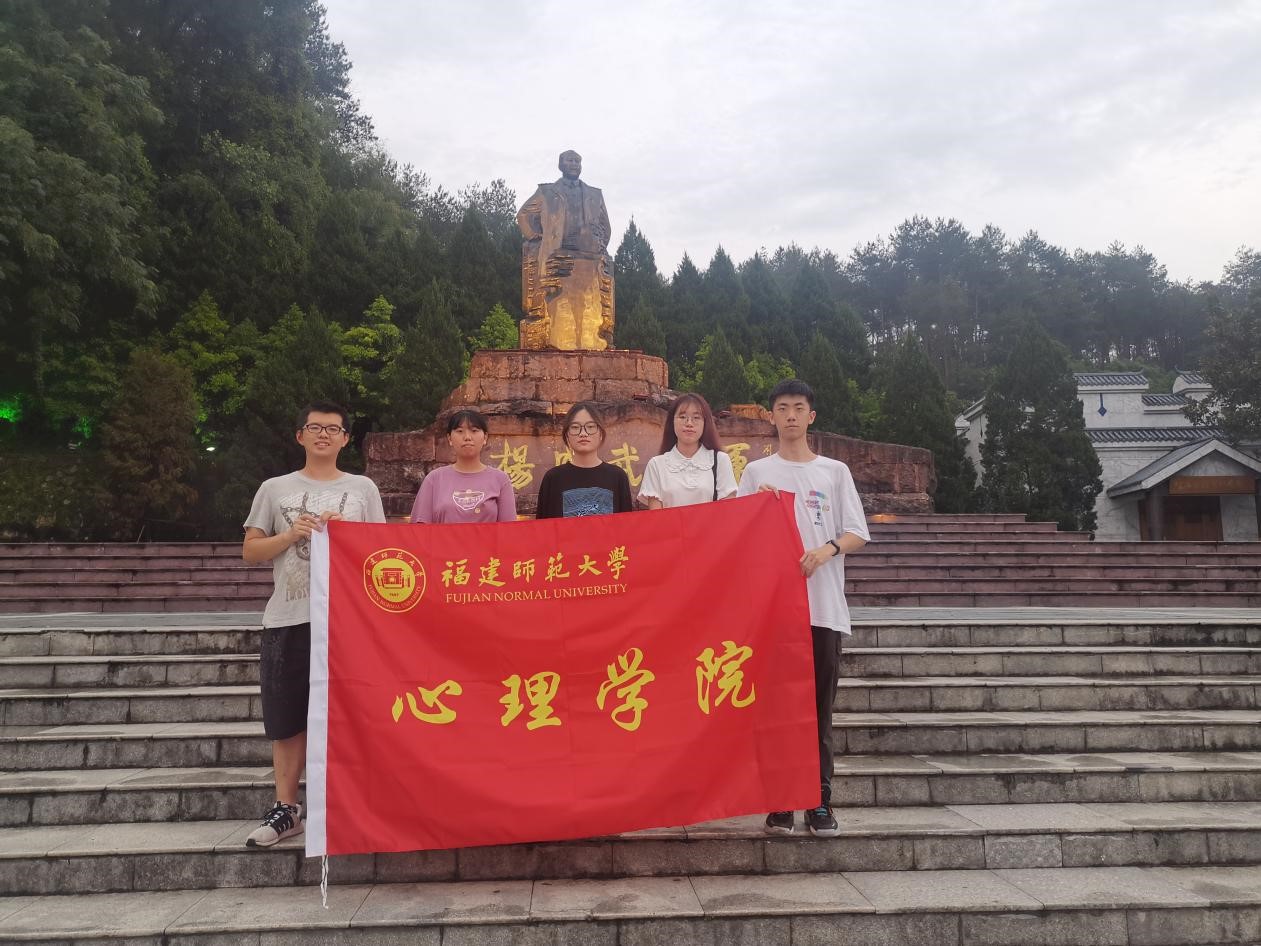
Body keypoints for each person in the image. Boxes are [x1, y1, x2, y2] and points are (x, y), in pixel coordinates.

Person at [241, 401, 385, 848]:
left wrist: (349, 534)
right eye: (315, 427)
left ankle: (351, 803)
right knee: (286, 716)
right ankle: (287, 808)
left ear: (346, 439)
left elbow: (383, 550)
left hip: (349, 622)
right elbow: (250, 551)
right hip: (289, 618)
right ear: (299, 435)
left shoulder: (362, 489)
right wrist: (290, 535)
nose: (324, 434)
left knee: (353, 714)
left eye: (333, 429)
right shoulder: (275, 488)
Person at [736, 379, 869, 838]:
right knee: (776, 711)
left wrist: (827, 549)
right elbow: (738, 537)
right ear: (770, 416)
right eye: (782, 407)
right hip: (774, 613)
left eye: (798, 407)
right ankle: (780, 802)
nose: (790, 415)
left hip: (822, 610)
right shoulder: (757, 473)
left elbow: (857, 532)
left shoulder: (834, 472)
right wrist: (758, 507)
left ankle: (818, 801)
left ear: (811, 416)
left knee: (817, 712)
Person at [516, 150, 614, 350]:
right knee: (555, 304)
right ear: (561, 165)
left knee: (589, 307)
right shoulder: (547, 192)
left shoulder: (595, 194)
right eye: (570, 160)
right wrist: (535, 237)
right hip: (556, 256)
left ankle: (595, 339)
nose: (574, 164)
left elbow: (605, 226)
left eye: (577, 161)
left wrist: (598, 246)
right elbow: (524, 215)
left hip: (587, 258)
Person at [410, 410, 516, 524]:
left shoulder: (500, 480)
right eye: (460, 431)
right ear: (449, 438)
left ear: (485, 437)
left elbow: (509, 530)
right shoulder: (434, 479)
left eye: (474, 431)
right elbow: (419, 529)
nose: (467, 437)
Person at [535, 401, 634, 518]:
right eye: (575, 427)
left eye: (590, 427)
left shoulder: (617, 477)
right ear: (567, 435)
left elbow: (626, 525)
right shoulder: (553, 479)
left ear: (601, 434)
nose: (583, 433)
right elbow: (542, 526)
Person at [638, 393, 737, 509]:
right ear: (672, 422)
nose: (689, 423)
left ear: (705, 423)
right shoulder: (656, 465)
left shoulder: (720, 460)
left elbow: (727, 511)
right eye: (682, 417)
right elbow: (656, 516)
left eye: (696, 418)